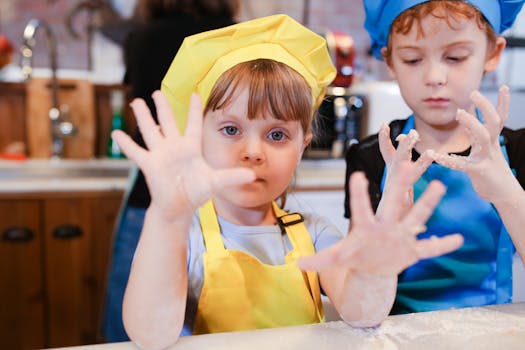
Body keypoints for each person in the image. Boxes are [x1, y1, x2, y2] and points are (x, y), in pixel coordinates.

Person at [112, 14, 463, 349]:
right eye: (231, 129)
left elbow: (362, 314)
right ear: (199, 138)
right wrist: (166, 218)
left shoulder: (315, 235)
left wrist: (377, 270)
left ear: (303, 145)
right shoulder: (184, 237)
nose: (253, 151)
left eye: (277, 135)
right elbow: (151, 336)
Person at [344, 0, 525, 315]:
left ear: (492, 54)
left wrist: (506, 193)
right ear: (389, 61)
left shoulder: (516, 149)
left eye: (455, 57)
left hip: (492, 331)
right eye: (412, 59)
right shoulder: (371, 157)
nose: (434, 77)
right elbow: (358, 293)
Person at [102, 0, 240, 342]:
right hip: (223, 196)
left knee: (137, 325)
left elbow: (137, 92)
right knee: (218, 326)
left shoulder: (144, 39)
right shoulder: (236, 39)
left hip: (155, 193)